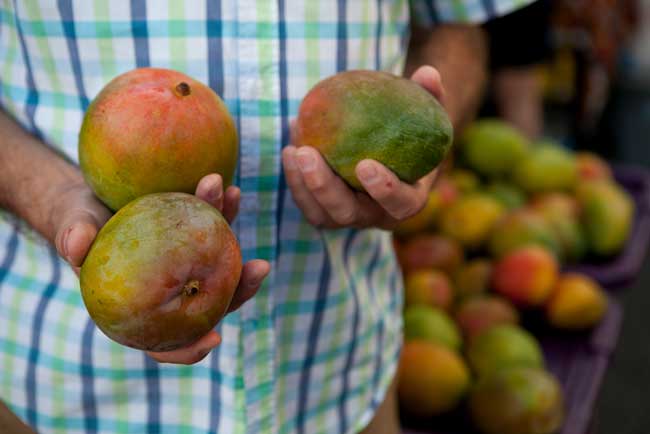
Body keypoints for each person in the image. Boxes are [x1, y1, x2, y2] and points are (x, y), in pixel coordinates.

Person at [0, 1, 533, 433]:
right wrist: (54, 198)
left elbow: (459, 23)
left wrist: (429, 141)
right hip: (71, 387)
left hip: (343, 376)